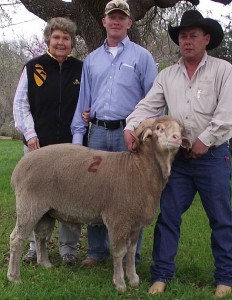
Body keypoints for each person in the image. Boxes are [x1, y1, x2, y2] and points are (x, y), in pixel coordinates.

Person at [124, 10, 232, 299]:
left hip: (213, 157)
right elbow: (148, 106)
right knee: (169, 216)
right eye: (183, 36)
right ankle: (162, 275)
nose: (187, 41)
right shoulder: (168, 75)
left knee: (220, 218)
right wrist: (131, 127)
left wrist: (206, 139)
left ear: (206, 38)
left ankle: (225, 278)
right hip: (178, 160)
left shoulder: (222, 70)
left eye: (193, 36)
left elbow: (229, 112)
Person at [71, 0, 158, 267]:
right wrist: (78, 140)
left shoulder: (142, 57)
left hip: (128, 135)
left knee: (132, 196)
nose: (117, 21)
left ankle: (133, 253)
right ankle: (97, 252)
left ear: (129, 23)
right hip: (97, 133)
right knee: (96, 190)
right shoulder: (92, 60)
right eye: (112, 17)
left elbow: (154, 100)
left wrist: (143, 135)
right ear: (104, 22)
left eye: (122, 17)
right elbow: (83, 101)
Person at [13, 17, 85, 266]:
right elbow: (21, 105)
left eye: (66, 38)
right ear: (48, 40)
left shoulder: (80, 69)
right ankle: (34, 247)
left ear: (72, 42)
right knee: (35, 199)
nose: (61, 42)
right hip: (38, 147)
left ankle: (68, 250)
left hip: (70, 148)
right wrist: (32, 137)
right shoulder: (33, 67)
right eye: (56, 37)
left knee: (72, 198)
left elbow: (86, 103)